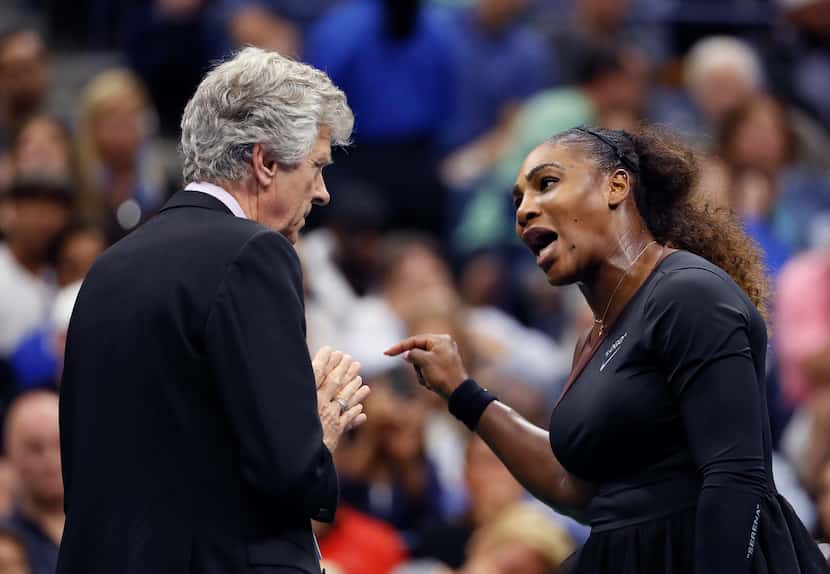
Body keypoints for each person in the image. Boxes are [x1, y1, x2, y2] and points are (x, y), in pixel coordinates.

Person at [386, 125, 828, 573]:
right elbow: (576, 489)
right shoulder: (592, 340)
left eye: (546, 183)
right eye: (517, 199)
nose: (523, 210)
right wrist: (462, 392)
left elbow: (735, 477)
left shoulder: (688, 294)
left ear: (616, 185)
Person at [57, 47, 369, 574]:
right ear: (265, 161)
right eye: (316, 167)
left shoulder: (110, 265)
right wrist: (315, 430)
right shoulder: (255, 253)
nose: (322, 192)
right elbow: (289, 472)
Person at [2, 391, 62, 574]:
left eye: (59, 445)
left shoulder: (108, 531)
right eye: (34, 448)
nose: (50, 461)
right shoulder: (7, 546)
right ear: (11, 454)